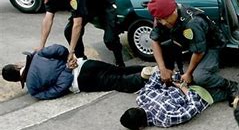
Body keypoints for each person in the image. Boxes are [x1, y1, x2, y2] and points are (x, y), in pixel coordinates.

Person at [147, 0, 237, 105]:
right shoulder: (161, 16)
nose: (163, 22)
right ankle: (171, 72)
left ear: (174, 11)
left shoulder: (192, 23)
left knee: (199, 77)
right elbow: (154, 40)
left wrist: (189, 73)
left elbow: (199, 51)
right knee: (165, 47)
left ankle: (229, 85)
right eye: (160, 20)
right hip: (190, 44)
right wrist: (162, 69)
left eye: (165, 19)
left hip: (211, 46)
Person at [29, 0, 126, 67]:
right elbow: (48, 19)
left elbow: (77, 24)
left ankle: (120, 62)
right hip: (86, 7)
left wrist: (71, 51)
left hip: (103, 4)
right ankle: (82, 60)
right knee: (69, 32)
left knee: (110, 39)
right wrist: (41, 45)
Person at [2, 44, 150, 100]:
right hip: (83, 64)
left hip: (80, 82)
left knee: (116, 82)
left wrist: (67, 70)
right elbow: (60, 49)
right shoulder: (37, 55)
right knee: (119, 70)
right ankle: (149, 69)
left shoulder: (33, 89)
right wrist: (68, 60)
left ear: (17, 81)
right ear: (17, 66)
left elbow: (58, 89)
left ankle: (144, 76)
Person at [120, 70, 213, 130]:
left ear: (140, 127)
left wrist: (182, 86)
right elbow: (158, 74)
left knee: (206, 77)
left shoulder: (164, 119)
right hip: (189, 86)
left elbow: (192, 108)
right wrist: (177, 81)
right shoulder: (142, 98)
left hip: (195, 91)